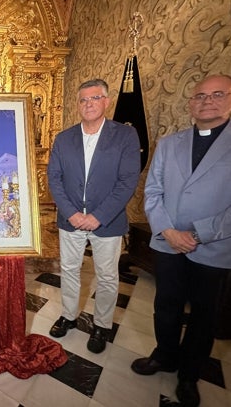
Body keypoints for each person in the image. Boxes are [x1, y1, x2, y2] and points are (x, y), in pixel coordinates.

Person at [131, 74, 231, 407]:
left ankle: (189, 375)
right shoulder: (171, 143)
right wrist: (168, 231)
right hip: (168, 242)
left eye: (217, 94)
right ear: (190, 103)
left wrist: (199, 233)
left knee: (205, 316)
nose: (206, 101)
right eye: (199, 96)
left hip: (218, 245)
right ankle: (165, 356)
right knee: (165, 307)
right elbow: (153, 191)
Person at [47, 78, 140, 353]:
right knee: (69, 270)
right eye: (83, 100)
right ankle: (68, 316)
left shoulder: (124, 136)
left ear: (106, 102)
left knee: (108, 276)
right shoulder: (64, 138)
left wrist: (98, 216)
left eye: (95, 98)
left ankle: (102, 325)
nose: (88, 104)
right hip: (70, 220)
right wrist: (71, 213)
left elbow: (127, 181)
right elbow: (55, 179)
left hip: (107, 221)